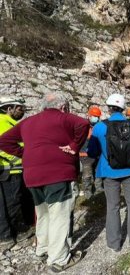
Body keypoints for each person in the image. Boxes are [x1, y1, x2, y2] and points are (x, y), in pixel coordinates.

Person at [0, 92, 89, 272]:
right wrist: (73, 146)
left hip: (32, 176)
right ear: (63, 107)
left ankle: (43, 249)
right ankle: (59, 259)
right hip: (58, 174)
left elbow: (4, 141)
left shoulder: (28, 121)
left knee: (43, 213)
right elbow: (83, 123)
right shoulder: (61, 117)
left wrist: (25, 155)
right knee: (59, 214)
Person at [87, 94, 130, 251]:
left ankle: (114, 243)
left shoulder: (99, 127)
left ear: (108, 108)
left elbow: (92, 152)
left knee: (112, 207)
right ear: (123, 108)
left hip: (109, 172)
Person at [0, 96, 35, 252]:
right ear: (9, 109)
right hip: (11, 170)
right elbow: (4, 148)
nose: (23, 111)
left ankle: (14, 232)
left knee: (14, 201)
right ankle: (13, 235)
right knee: (12, 202)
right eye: (20, 108)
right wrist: (24, 155)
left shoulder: (9, 123)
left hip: (13, 169)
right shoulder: (3, 123)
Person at [79, 106, 103, 199]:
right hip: (85, 155)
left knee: (98, 173)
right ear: (89, 115)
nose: (95, 118)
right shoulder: (83, 126)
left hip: (97, 155)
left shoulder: (99, 126)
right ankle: (87, 191)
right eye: (94, 116)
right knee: (87, 175)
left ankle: (99, 189)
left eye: (97, 116)